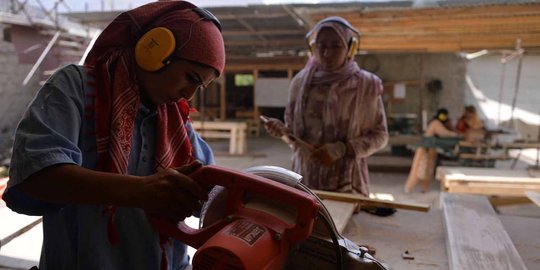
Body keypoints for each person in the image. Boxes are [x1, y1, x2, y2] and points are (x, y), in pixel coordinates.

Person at [3, 1, 224, 269]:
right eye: (190, 77)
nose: (188, 95)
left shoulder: (176, 122)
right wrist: (142, 191)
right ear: (152, 51)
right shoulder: (76, 88)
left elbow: (213, 196)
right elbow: (35, 178)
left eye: (199, 86)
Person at [263, 17, 388, 197]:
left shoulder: (366, 85)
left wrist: (342, 149)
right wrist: (283, 132)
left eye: (336, 46)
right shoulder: (300, 83)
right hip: (305, 183)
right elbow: (294, 139)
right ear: (313, 48)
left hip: (347, 185)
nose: (327, 53)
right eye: (321, 46)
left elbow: (380, 136)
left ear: (350, 48)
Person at [404, 108, 458, 193]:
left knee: (428, 171)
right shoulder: (435, 123)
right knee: (419, 169)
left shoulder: (439, 123)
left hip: (431, 149)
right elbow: (443, 133)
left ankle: (424, 189)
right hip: (424, 149)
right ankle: (409, 188)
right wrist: (456, 135)